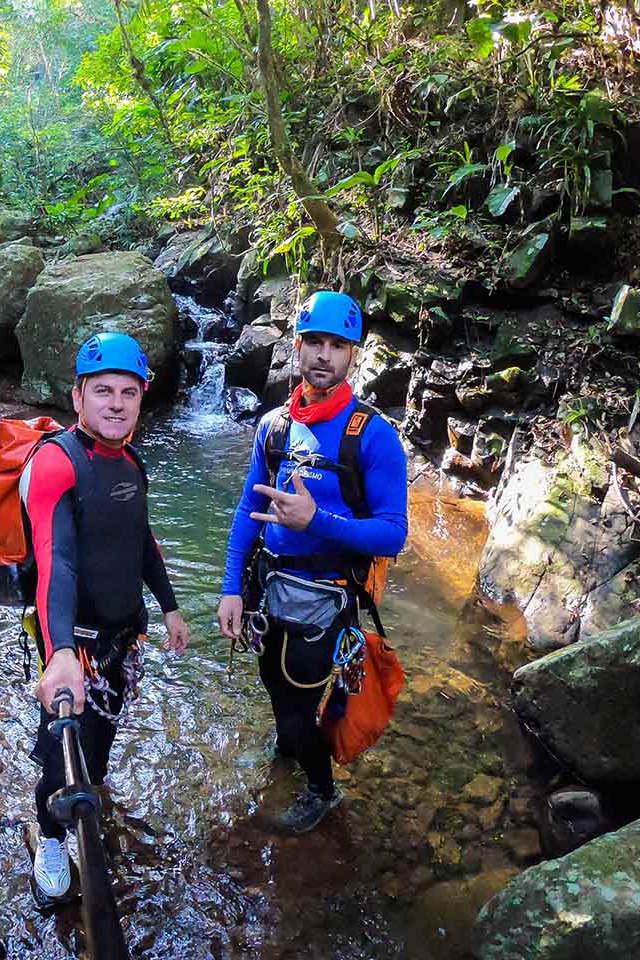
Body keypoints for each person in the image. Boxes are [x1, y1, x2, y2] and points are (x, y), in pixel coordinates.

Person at [216, 290, 408, 834]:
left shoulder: (372, 436)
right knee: (274, 686)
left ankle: (321, 790)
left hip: (326, 597)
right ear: (298, 348)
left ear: (353, 355)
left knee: (297, 704)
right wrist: (232, 587)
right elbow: (248, 509)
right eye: (315, 343)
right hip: (269, 586)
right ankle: (287, 751)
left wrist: (315, 521)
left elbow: (393, 535)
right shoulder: (274, 427)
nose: (324, 355)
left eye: (337, 345)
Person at [22, 331, 190, 897]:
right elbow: (57, 561)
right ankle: (49, 840)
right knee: (63, 746)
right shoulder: (56, 464)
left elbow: (140, 542)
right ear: (77, 397)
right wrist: (62, 653)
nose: (116, 403)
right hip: (74, 638)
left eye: (128, 392)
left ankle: (87, 796)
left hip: (122, 638)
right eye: (103, 391)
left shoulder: (131, 463)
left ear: (142, 399)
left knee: (100, 742)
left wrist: (168, 607)